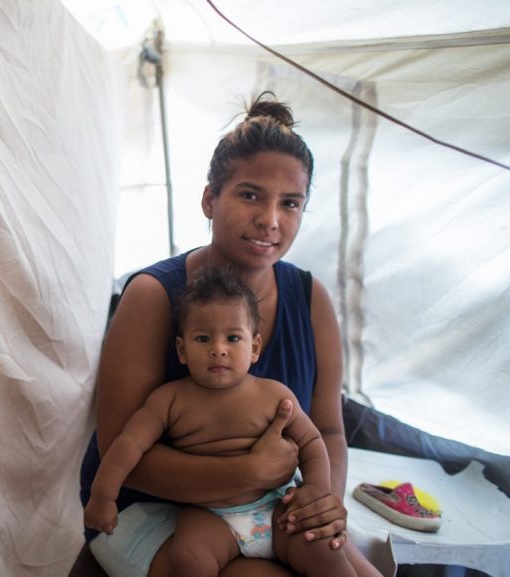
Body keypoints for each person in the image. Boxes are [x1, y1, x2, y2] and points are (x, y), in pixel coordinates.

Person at [78, 93, 382, 577]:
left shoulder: (310, 299)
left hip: (266, 502)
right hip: (144, 507)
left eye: (291, 203)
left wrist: (322, 500)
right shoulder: (155, 295)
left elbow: (327, 428)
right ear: (209, 200)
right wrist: (247, 472)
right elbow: (123, 451)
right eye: (249, 194)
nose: (270, 220)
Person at [84, 266, 355, 577]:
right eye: (202, 338)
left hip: (273, 507)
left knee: (327, 552)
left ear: (253, 347)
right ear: (182, 350)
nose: (218, 349)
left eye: (232, 337)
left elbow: (312, 441)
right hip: (208, 513)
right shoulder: (169, 400)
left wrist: (317, 491)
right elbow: (127, 446)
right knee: (188, 559)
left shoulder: (274, 395)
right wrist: (103, 496)